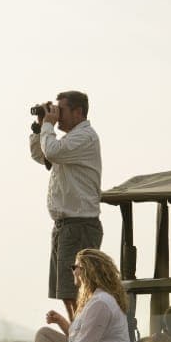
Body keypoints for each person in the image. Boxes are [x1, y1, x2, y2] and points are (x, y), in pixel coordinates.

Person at [30, 90, 103, 321]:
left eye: (61, 110)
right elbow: (40, 155)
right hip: (65, 225)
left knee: (77, 290)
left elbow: (51, 151)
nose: (57, 116)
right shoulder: (68, 141)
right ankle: (77, 334)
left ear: (78, 112)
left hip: (79, 225)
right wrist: (40, 127)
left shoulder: (85, 137)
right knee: (65, 290)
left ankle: (81, 336)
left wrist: (48, 127)